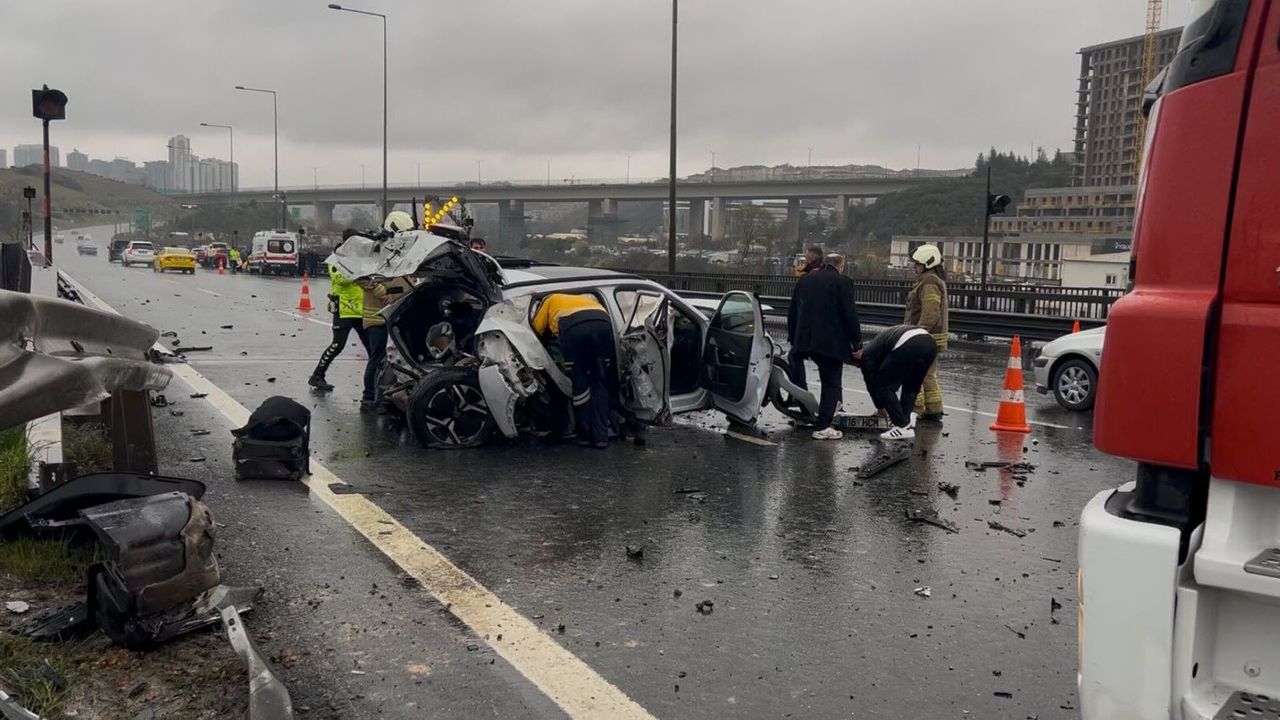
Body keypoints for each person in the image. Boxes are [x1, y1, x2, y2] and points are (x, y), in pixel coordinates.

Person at [787, 253, 862, 440]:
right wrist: (856, 343)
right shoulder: (842, 282)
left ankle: (805, 413)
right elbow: (850, 315)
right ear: (840, 266)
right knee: (830, 382)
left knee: (800, 373)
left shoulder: (805, 280)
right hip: (830, 342)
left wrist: (794, 337)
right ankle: (823, 426)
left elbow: (793, 310)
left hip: (804, 339)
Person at [532, 293, 618, 449]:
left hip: (574, 329)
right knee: (599, 380)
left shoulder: (550, 300)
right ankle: (601, 437)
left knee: (580, 383)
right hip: (603, 323)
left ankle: (585, 435)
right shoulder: (584, 299)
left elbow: (536, 329)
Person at [358, 212, 417, 412]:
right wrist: (381, 292)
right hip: (378, 317)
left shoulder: (401, 251)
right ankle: (369, 399)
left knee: (394, 360)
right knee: (378, 358)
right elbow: (360, 276)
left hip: (397, 314)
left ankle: (386, 398)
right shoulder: (376, 251)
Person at [854, 324, 939, 441]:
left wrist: (880, 408)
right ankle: (906, 421)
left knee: (883, 386)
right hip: (930, 343)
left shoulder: (867, 355)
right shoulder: (878, 345)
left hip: (909, 344)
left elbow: (872, 384)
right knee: (911, 386)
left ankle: (902, 425)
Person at [308, 231, 368, 392]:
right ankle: (317, 375)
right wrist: (359, 273)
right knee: (337, 345)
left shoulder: (359, 258)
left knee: (372, 348)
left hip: (360, 310)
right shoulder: (336, 258)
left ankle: (378, 382)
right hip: (344, 310)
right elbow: (340, 279)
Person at [904, 244, 949, 422]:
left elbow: (930, 312)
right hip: (931, 338)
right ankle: (934, 409)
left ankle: (915, 408)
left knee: (915, 372)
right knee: (928, 374)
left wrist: (917, 332)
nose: (914, 267)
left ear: (927, 264)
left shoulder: (929, 282)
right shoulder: (930, 280)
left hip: (924, 337)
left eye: (917, 264)